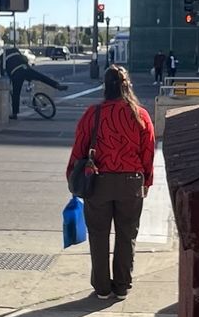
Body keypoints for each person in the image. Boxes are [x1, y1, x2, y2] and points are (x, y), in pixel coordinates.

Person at [67, 65, 156, 301]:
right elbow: (148, 153)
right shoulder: (141, 115)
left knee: (98, 234)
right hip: (131, 182)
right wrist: (147, 180)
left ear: (105, 86)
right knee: (127, 234)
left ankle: (102, 287)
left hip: (99, 182)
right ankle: (122, 285)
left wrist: (72, 177)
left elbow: (79, 150)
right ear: (128, 86)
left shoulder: (93, 114)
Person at [3, 45, 65, 119]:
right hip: (26, 68)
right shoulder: (16, 51)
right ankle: (57, 85)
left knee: (15, 94)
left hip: (16, 73)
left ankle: (14, 114)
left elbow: (3, 71)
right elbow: (25, 59)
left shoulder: (2, 57)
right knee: (41, 77)